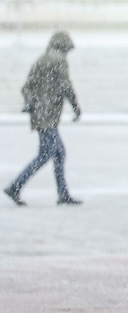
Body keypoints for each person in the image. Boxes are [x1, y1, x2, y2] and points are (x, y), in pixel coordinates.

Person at [4, 32, 83, 206]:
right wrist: (76, 107)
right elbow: (65, 85)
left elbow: (26, 87)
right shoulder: (59, 59)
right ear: (64, 46)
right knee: (47, 154)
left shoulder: (41, 60)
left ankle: (62, 193)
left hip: (40, 113)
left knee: (57, 153)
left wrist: (31, 102)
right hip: (48, 115)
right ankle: (16, 186)